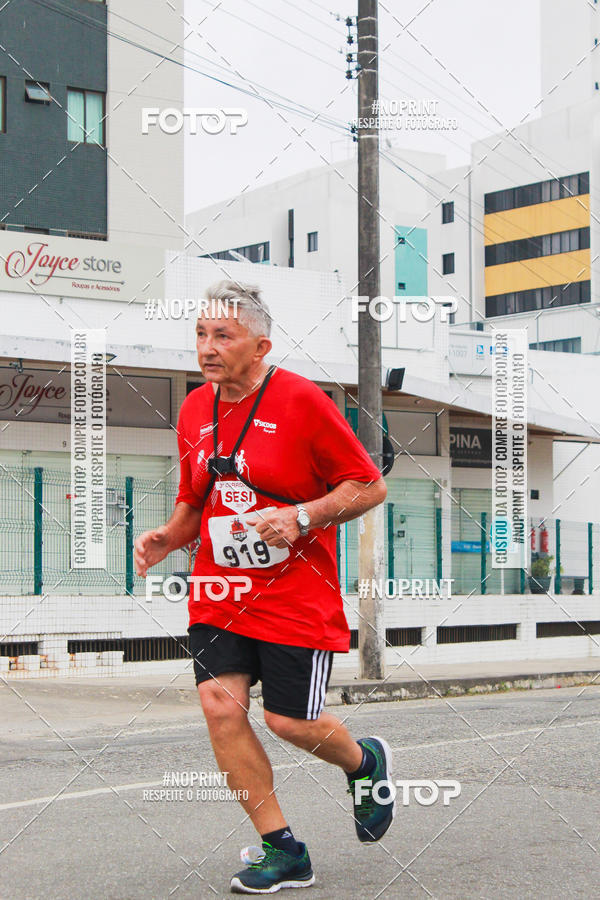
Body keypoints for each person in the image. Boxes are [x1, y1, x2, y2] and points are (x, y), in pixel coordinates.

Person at [134, 280, 393, 894]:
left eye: (223, 336)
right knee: (219, 708)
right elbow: (196, 495)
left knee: (289, 722)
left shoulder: (302, 401)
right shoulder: (196, 409)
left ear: (261, 345)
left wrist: (301, 516)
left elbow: (368, 485)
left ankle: (364, 763)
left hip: (294, 594)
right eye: (200, 334)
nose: (207, 347)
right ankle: (283, 849)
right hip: (219, 590)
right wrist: (171, 535)